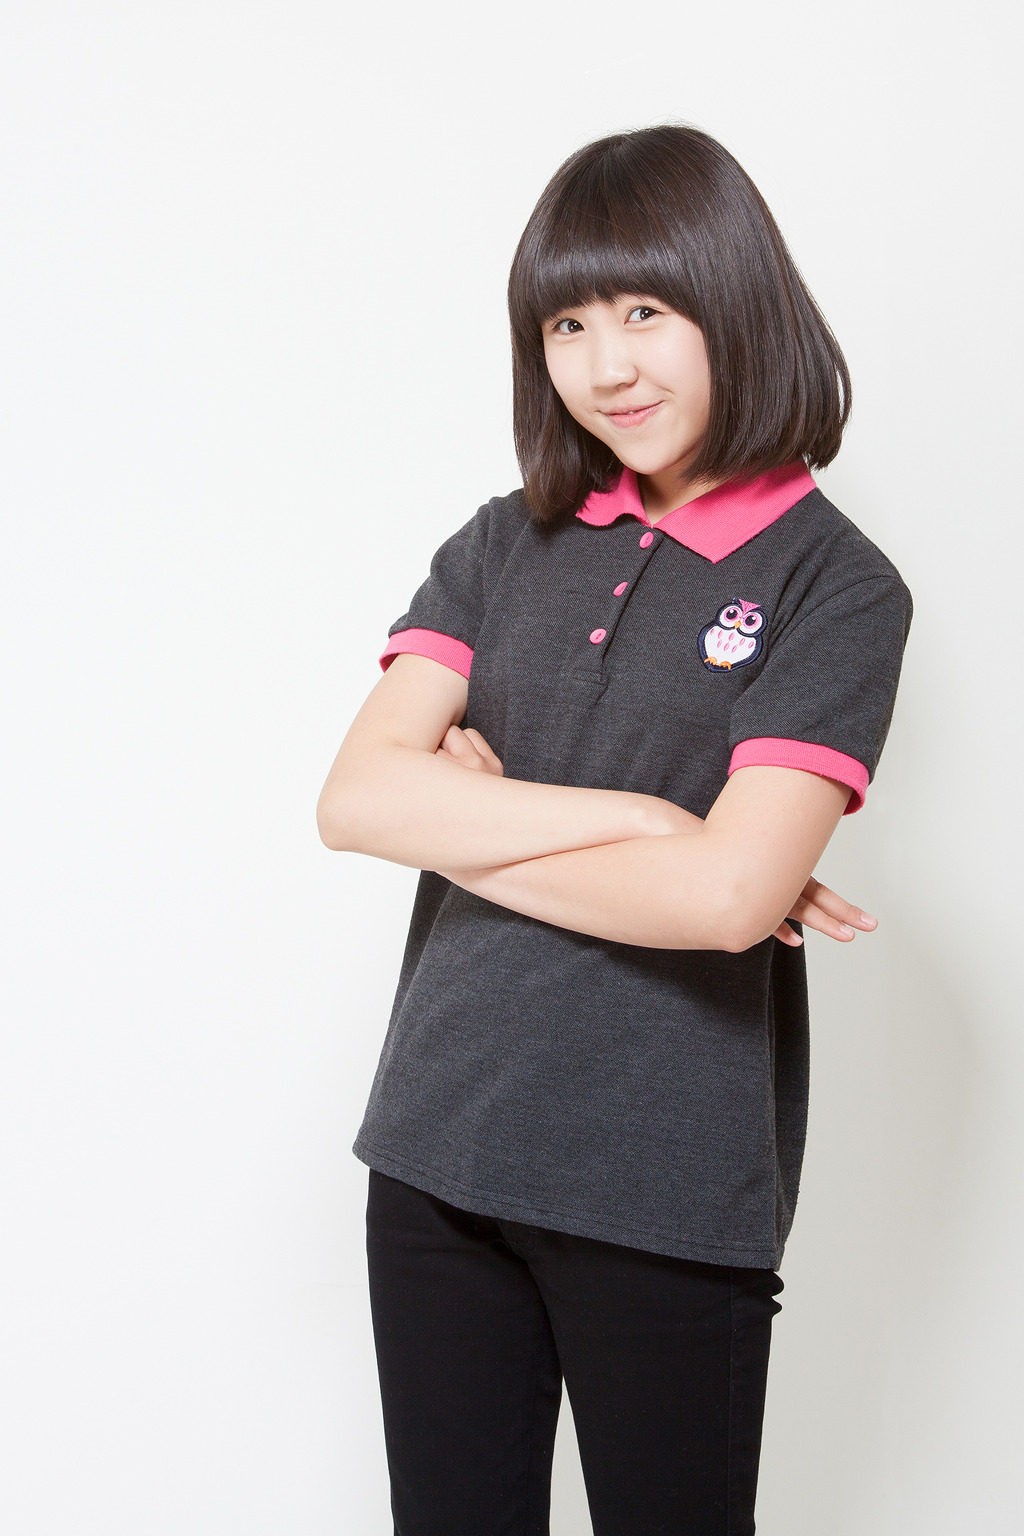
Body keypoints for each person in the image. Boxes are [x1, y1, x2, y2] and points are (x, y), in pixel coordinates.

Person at [317, 124, 912, 1536]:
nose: (605, 367)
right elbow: (354, 802)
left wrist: (461, 818)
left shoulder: (836, 585)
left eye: (645, 311)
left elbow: (725, 902)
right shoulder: (502, 540)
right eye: (567, 325)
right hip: (436, 1144)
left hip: (662, 1176)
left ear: (737, 303)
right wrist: (647, 822)